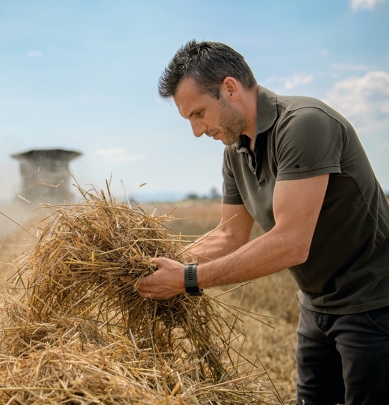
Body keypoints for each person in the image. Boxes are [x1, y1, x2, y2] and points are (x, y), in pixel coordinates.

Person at [134, 40, 389, 405]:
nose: (196, 130)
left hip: (373, 307)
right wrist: (156, 264)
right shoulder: (235, 150)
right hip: (316, 307)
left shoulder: (304, 125)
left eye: (199, 113)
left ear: (230, 89)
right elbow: (229, 234)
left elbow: (290, 242)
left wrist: (186, 279)